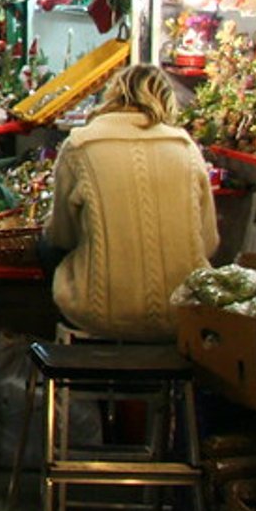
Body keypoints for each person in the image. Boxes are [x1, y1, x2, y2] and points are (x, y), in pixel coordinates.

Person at [40, 64, 219, 341]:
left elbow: (61, 235)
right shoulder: (185, 148)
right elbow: (208, 242)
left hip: (98, 313)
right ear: (166, 100)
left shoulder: (81, 145)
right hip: (182, 312)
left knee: (46, 247)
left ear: (113, 96)